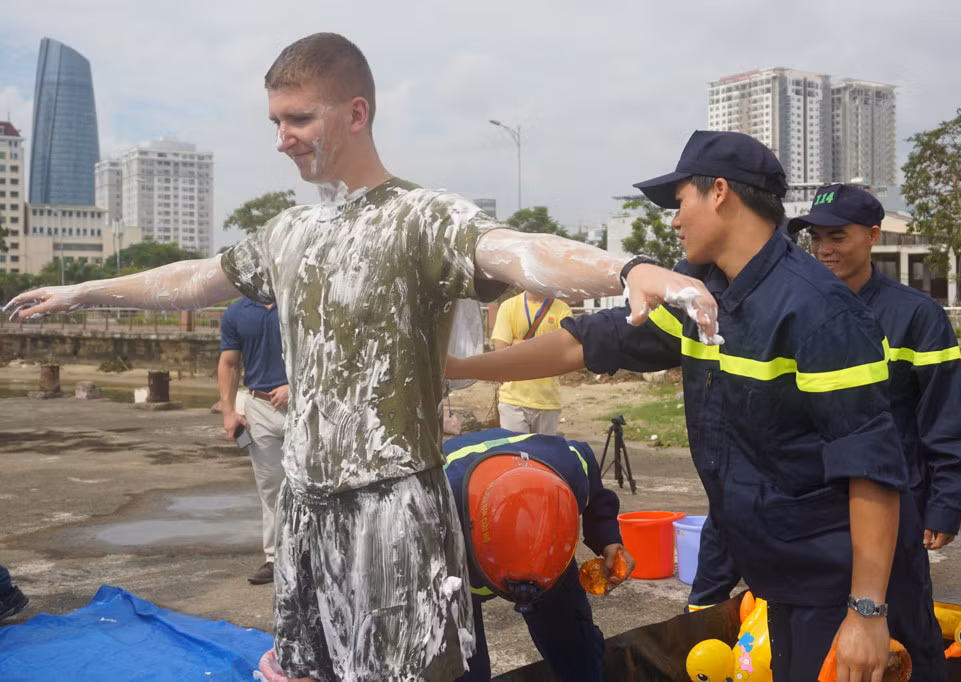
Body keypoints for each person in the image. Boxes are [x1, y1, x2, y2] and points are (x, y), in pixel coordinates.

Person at [4, 33, 718, 682]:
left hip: (396, 508)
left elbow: (517, 250)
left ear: (355, 113)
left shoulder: (422, 217)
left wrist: (628, 269)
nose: (283, 138)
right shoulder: (289, 233)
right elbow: (199, 276)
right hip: (309, 506)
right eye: (275, 122)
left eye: (299, 119)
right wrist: (85, 289)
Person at [447, 130, 910, 681]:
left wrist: (867, 611)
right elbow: (582, 341)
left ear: (719, 192)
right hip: (775, 570)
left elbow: (872, 468)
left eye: (679, 202)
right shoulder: (699, 292)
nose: (673, 220)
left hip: (834, 581)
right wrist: (456, 370)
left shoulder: (817, 311)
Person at [786, 183, 961, 679]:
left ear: (872, 236)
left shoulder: (916, 315)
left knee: (906, 631)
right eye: (816, 239)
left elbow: (944, 414)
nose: (824, 250)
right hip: (814, 509)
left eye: (838, 237)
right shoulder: (796, 311)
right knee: (818, 643)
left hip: (895, 504)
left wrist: (946, 503)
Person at [443, 428, 634, 681]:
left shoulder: (571, 467)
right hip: (454, 572)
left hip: (550, 555)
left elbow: (595, 492)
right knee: (463, 669)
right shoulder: (435, 506)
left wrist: (608, 538)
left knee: (578, 649)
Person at [218, 297, 289, 585]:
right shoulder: (235, 312)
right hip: (258, 406)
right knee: (271, 488)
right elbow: (229, 363)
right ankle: (275, 559)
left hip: (303, 405)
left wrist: (295, 385)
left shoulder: (295, 300)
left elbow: (324, 353)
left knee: (312, 483)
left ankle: (315, 556)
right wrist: (229, 411)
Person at [491, 291, 573, 434]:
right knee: (515, 454)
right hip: (512, 400)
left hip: (547, 401)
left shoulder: (562, 309)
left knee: (542, 455)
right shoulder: (508, 306)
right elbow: (501, 352)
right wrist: (546, 348)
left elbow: (563, 353)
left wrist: (516, 344)